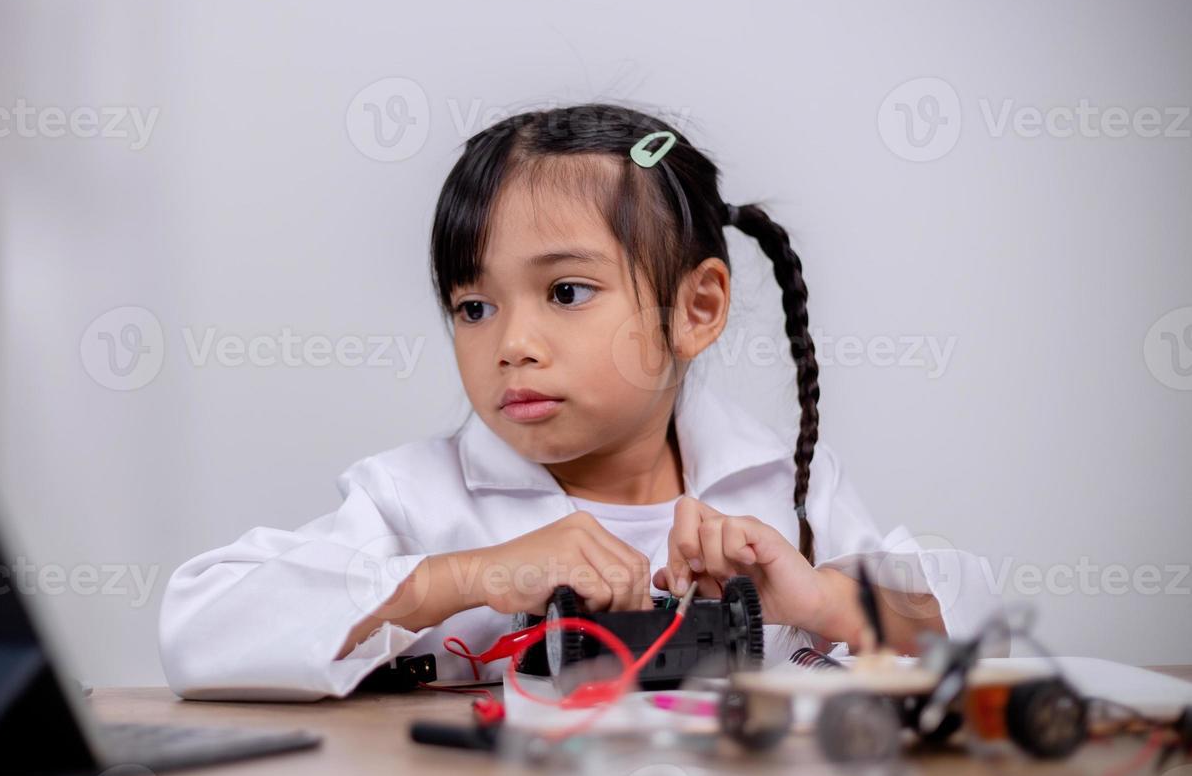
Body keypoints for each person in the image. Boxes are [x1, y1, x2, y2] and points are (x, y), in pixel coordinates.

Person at [159, 104, 998, 700]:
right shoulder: (414, 501)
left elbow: (982, 632)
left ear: (697, 309)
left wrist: (823, 601)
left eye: (565, 291)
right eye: (473, 307)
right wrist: (468, 577)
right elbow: (199, 630)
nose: (511, 343)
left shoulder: (782, 491)